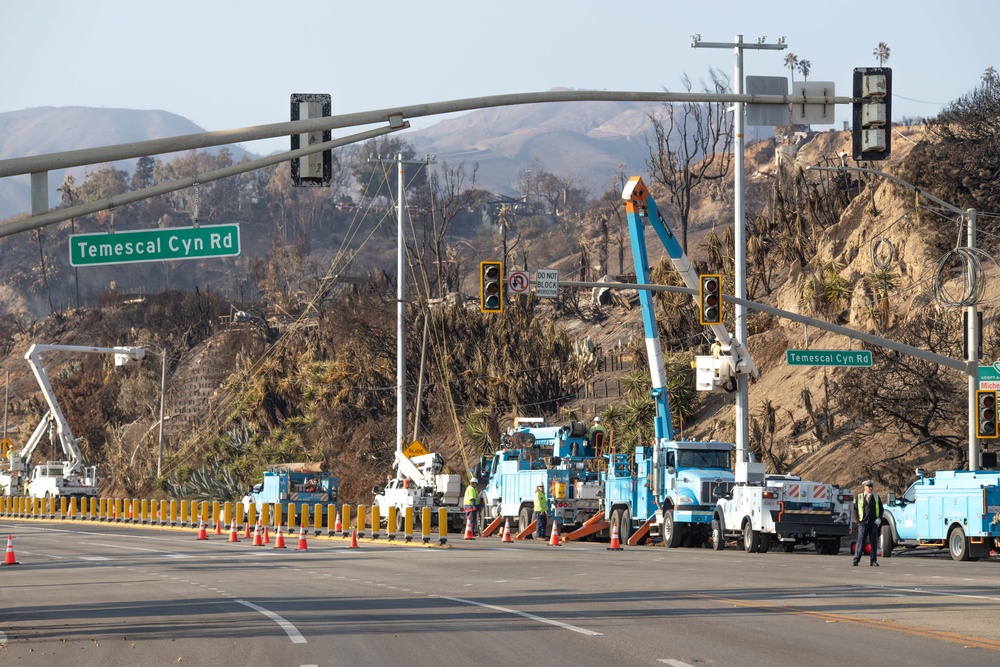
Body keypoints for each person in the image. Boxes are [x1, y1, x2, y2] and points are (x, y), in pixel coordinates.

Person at [853, 479, 882, 567]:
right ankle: (856, 560)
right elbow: (854, 509)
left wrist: (879, 518)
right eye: (868, 487)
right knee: (860, 542)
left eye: (871, 487)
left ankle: (873, 561)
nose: (870, 488)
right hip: (863, 523)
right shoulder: (859, 497)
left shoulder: (876, 497)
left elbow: (881, 509)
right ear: (864, 487)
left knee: (873, 543)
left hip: (873, 523)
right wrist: (858, 520)